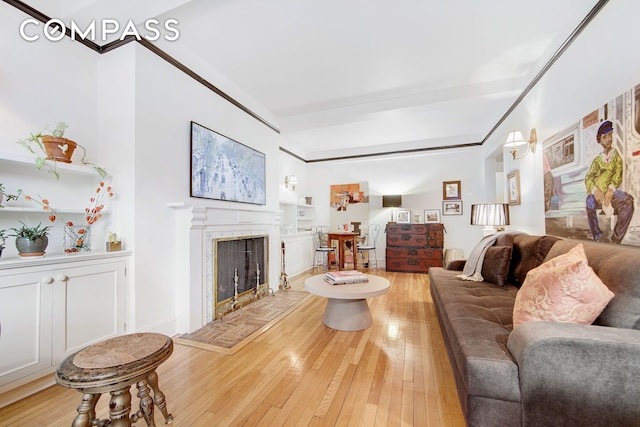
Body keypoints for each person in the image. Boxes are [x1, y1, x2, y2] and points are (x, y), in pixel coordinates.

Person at [584, 120, 634, 243]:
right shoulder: (597, 161)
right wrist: (595, 191)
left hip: (611, 193)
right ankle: (597, 236)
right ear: (599, 139)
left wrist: (611, 189)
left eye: (610, 135)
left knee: (628, 202)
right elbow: (588, 178)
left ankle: (615, 239)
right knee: (589, 203)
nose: (608, 139)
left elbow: (618, 172)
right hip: (598, 195)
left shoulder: (616, 156)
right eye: (605, 137)